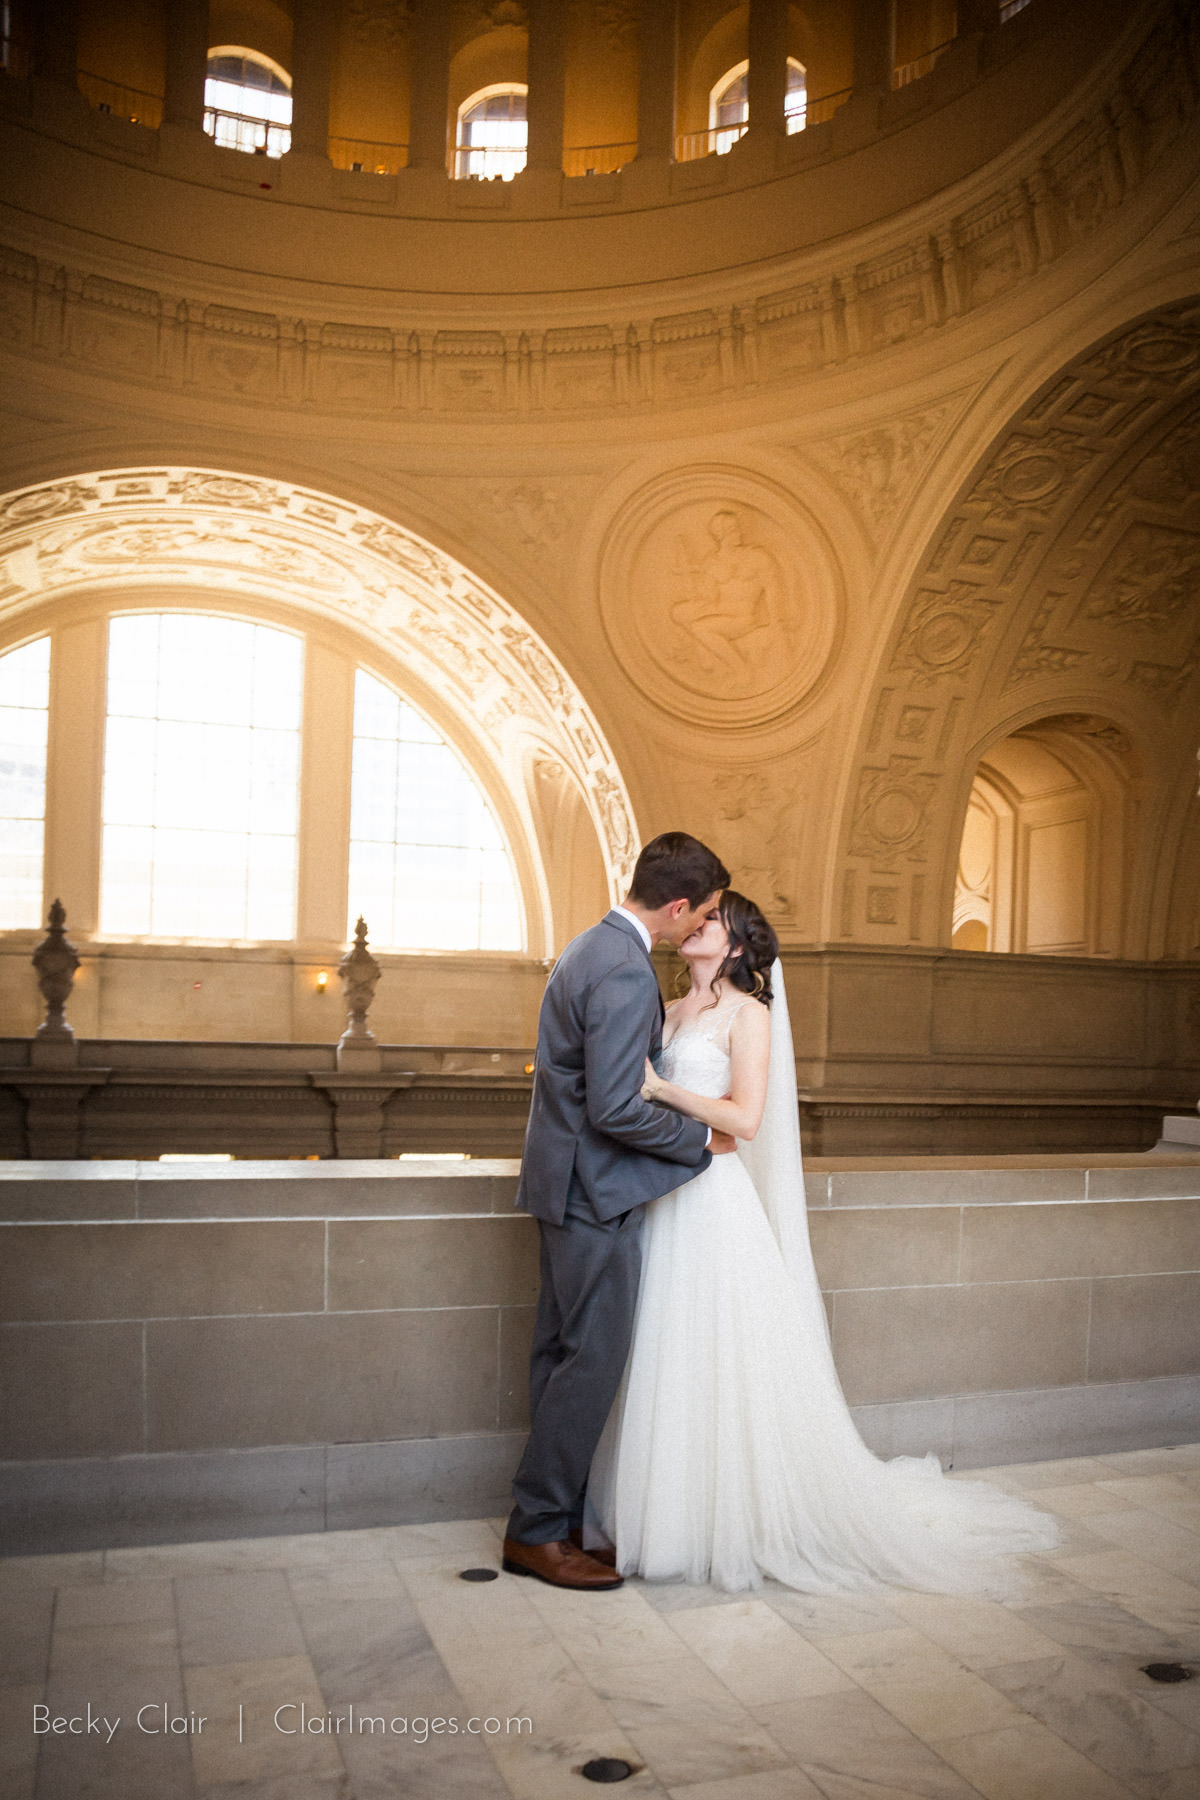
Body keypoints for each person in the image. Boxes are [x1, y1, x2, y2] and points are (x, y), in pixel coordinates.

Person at [588, 890, 1061, 1593]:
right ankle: (653, 1514)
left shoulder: (749, 1016)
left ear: (739, 946)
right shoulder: (667, 1010)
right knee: (662, 1351)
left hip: (714, 1203)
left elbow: (744, 1119)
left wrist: (661, 1087)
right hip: (659, 1197)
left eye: (713, 921)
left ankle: (717, 1523)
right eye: (697, 917)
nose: (696, 927)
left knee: (711, 1356)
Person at [503, 831, 733, 1591]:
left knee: (559, 1357)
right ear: (676, 905)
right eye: (699, 912)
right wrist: (701, 1137)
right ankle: (538, 1532)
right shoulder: (627, 971)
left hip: (562, 1185)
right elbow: (613, 1107)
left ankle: (556, 1525)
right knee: (589, 1362)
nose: (698, 925)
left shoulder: (586, 947)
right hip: (593, 1193)